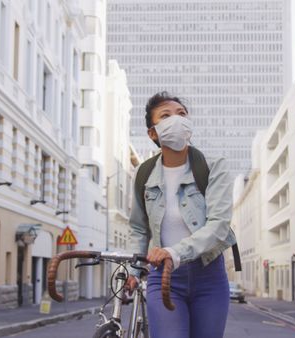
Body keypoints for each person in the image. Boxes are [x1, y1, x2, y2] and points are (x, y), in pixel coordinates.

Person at [125, 92, 237, 338]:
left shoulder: (213, 166)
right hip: (162, 277)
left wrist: (175, 252)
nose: (177, 120)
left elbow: (218, 225)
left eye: (182, 114)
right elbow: (139, 229)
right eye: (166, 115)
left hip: (209, 275)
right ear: (153, 133)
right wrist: (133, 273)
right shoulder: (143, 175)